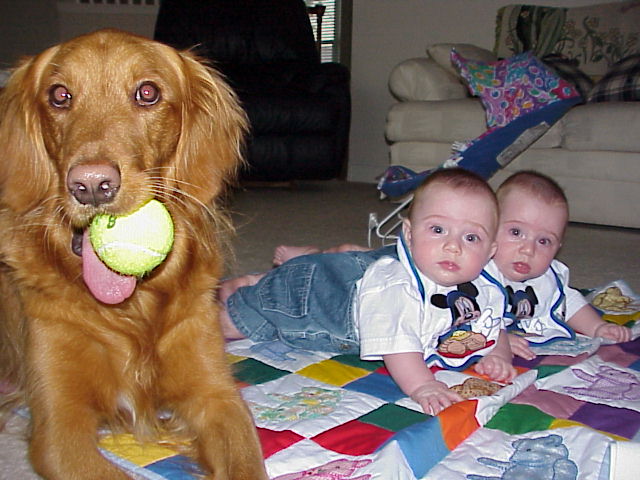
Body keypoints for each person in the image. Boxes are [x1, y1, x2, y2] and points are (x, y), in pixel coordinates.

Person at [218, 168, 517, 416]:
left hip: (354, 271)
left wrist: (499, 353)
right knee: (235, 322)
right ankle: (251, 287)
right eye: (438, 230)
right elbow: (399, 348)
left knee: (351, 261)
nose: (453, 246)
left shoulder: (484, 284)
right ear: (409, 234)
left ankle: (266, 276)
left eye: (471, 237)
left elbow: (491, 322)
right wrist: (423, 386)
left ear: (491, 251)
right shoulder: (397, 288)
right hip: (312, 298)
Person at [493, 171, 632, 360]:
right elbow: (461, 317)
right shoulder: (475, 274)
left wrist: (597, 327)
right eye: (516, 232)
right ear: (490, 226)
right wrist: (496, 339)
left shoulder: (547, 277)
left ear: (558, 247)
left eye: (544, 241)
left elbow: (568, 302)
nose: (528, 250)